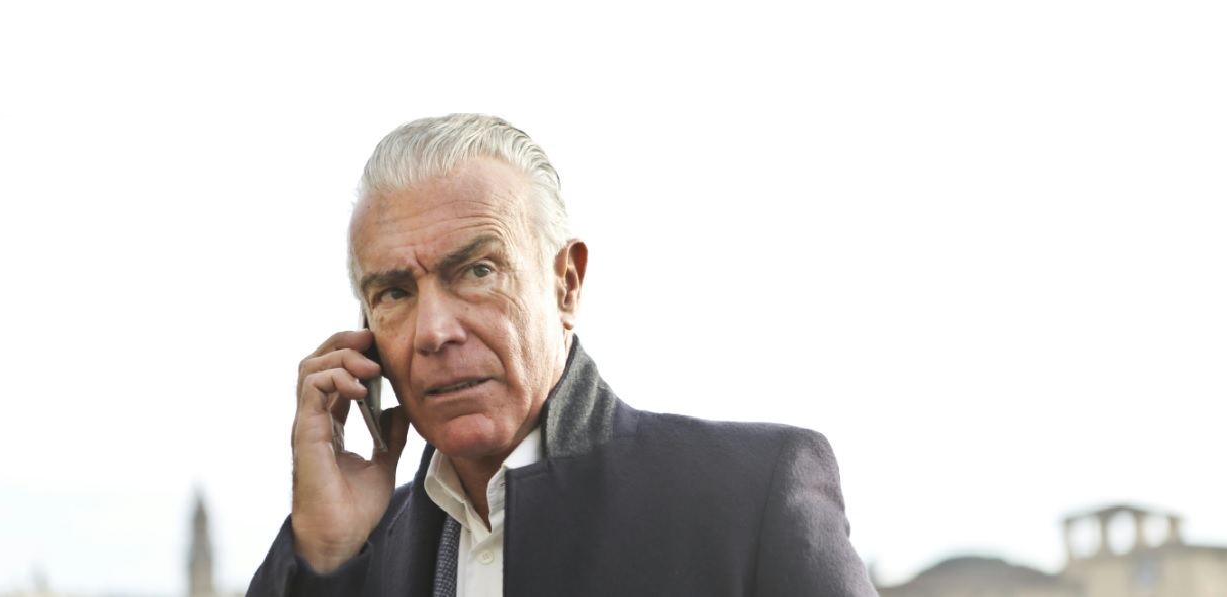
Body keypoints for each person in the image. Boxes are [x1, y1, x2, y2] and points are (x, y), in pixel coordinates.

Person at [248, 114, 877, 597]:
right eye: (394, 293)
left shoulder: (749, 496)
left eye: (478, 270)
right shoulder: (350, 559)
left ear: (566, 285)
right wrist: (323, 553)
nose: (434, 331)